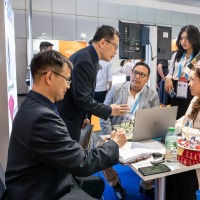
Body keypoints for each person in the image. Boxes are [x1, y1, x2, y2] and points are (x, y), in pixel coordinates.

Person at [4, 50, 127, 200]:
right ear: (49, 77)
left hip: (43, 176)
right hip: (38, 190)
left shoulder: (33, 105)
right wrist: (114, 144)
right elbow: (82, 162)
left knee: (96, 183)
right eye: (67, 80)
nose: (69, 86)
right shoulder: (42, 117)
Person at [56, 25, 129, 200]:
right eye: (115, 46)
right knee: (68, 163)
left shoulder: (90, 59)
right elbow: (82, 99)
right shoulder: (84, 60)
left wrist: (85, 117)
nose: (115, 52)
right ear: (103, 42)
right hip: (67, 120)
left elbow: (83, 96)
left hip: (75, 118)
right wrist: (109, 110)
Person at [100, 62, 160, 199]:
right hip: (116, 132)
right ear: (131, 73)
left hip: (140, 134)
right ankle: (115, 183)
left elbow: (155, 120)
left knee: (159, 152)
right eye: (135, 72)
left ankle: (147, 184)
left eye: (142, 74)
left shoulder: (152, 95)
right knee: (102, 153)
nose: (137, 76)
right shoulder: (116, 89)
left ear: (147, 78)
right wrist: (110, 135)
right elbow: (104, 114)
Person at [165, 66, 200, 200]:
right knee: (166, 173)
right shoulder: (195, 98)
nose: (188, 83)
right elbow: (185, 120)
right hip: (187, 150)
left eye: (192, 80)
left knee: (182, 182)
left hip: (196, 159)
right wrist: (171, 123)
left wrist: (179, 128)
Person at [165, 25, 200, 119]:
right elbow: (171, 71)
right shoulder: (177, 55)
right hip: (176, 89)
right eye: (181, 38)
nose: (183, 41)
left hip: (191, 88)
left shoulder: (198, 56)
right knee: (175, 117)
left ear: (194, 38)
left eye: (187, 38)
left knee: (190, 115)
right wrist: (168, 78)